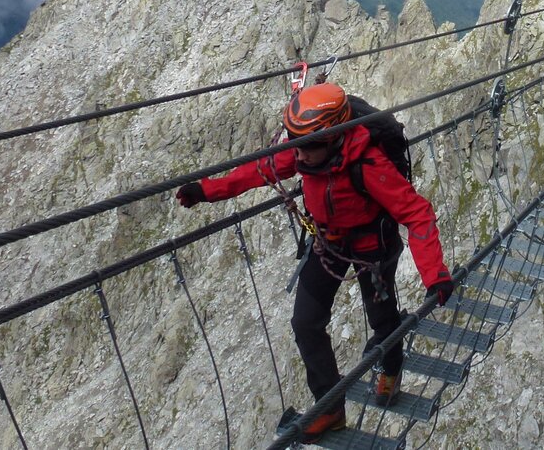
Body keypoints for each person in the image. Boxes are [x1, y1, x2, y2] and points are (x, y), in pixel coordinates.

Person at [176, 83, 455, 440]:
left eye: (308, 149)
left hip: (373, 248)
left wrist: (435, 275)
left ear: (334, 139)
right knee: (305, 323)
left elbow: (417, 213)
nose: (300, 157)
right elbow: (259, 170)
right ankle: (330, 408)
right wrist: (207, 190)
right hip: (328, 243)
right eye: (297, 147)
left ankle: (391, 369)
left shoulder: (368, 164)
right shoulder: (305, 150)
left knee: (383, 321)